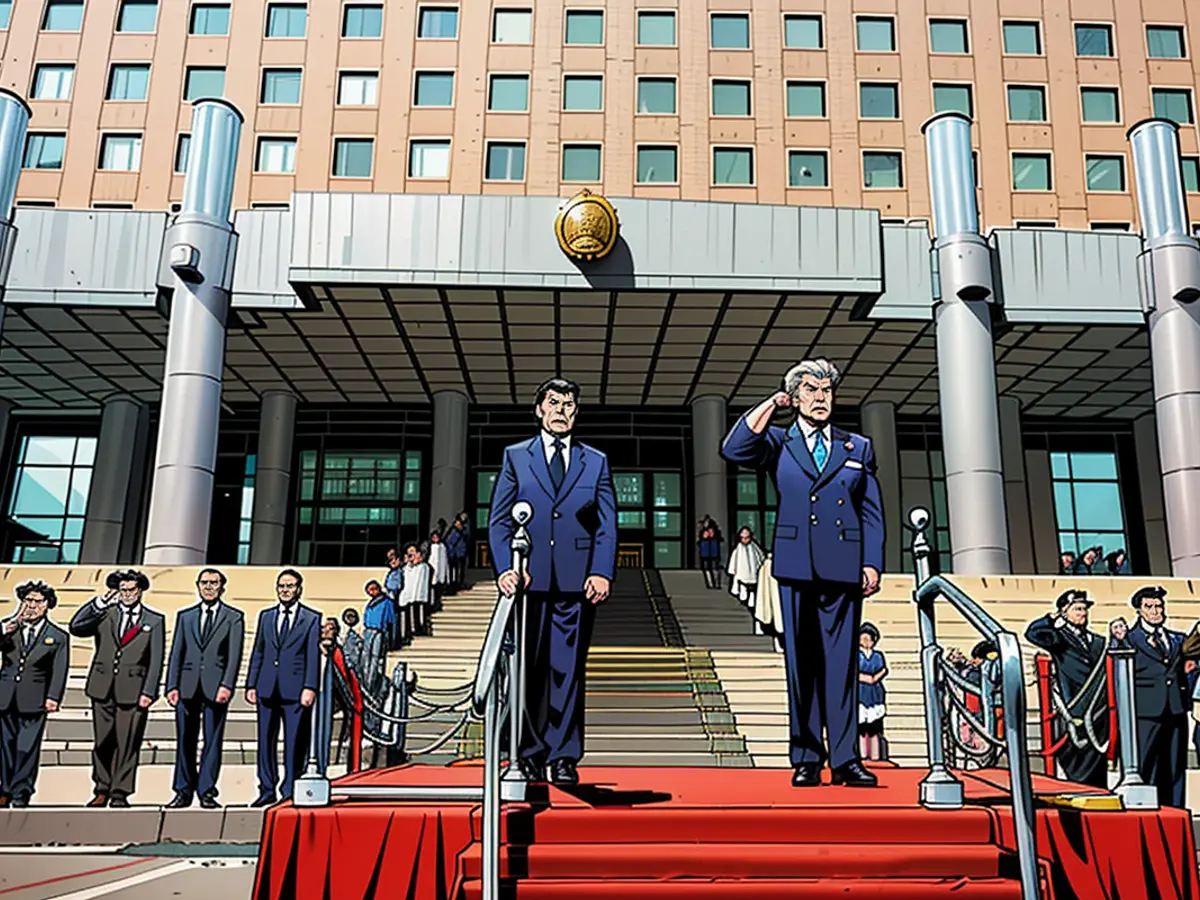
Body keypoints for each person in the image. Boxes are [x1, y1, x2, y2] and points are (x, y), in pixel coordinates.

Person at [721, 358, 884, 788]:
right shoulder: (779, 440)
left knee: (841, 667)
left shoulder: (857, 447)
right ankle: (807, 756)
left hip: (844, 568)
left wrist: (872, 562)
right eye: (810, 390)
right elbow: (734, 449)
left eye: (827, 390)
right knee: (802, 665)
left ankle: (847, 759)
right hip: (796, 566)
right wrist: (771, 405)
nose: (820, 398)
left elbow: (871, 512)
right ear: (795, 398)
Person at [489, 377, 617, 786]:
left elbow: (607, 524)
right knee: (527, 669)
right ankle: (527, 753)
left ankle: (563, 755)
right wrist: (505, 568)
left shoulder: (594, 461)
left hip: (576, 585)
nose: (562, 410)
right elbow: (499, 521)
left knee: (568, 670)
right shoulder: (516, 457)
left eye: (569, 405)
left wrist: (601, 570)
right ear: (540, 409)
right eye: (555, 403)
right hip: (528, 582)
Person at [69, 569, 166, 808]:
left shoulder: (154, 620)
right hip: (102, 687)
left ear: (140, 590)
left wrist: (149, 692)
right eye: (122, 590)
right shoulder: (105, 614)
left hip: (133, 689)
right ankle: (102, 788)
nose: (127, 594)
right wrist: (101, 601)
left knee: (128, 742)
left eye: (131, 589)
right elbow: (76, 626)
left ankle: (120, 791)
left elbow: (156, 659)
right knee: (103, 740)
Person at [164, 568, 245, 809]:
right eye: (204, 582)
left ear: (222, 587)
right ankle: (182, 791)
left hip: (215, 687)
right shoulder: (185, 616)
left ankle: (207, 791)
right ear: (198, 586)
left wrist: (227, 684)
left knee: (212, 740)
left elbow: (234, 656)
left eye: (214, 583)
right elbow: (176, 652)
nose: (209, 587)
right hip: (187, 686)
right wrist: (171, 686)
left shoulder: (233, 617)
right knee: (184, 740)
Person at [246, 569, 321, 807]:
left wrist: (310, 686)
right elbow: (258, 650)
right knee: (265, 741)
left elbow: (312, 656)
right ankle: (266, 789)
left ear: (299, 589)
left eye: (290, 586)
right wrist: (251, 683)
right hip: (267, 687)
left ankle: (290, 788)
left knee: (294, 742)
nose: (285, 590)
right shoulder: (266, 616)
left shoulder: (311, 618)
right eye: (281, 586)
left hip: (295, 690)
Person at [1024, 589, 1108, 787]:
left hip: (1097, 708)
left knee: (1097, 761)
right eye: (1077, 609)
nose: (1083, 613)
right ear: (1065, 612)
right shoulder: (1058, 638)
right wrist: (1052, 618)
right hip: (1073, 707)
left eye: (1084, 609)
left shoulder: (1098, 641)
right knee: (1075, 759)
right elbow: (1032, 633)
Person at [0, 581, 69, 808]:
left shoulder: (57, 636)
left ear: (47, 605)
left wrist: (54, 697)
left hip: (35, 698)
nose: (31, 606)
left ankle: (22, 790)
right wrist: (6, 629)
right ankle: (4, 789)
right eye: (27, 601)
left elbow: (59, 669)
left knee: (26, 747)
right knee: (5, 746)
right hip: (5, 695)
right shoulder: (9, 628)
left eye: (37, 601)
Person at [1129, 586, 1197, 807]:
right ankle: (1146, 812)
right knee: (1146, 767)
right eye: (1149, 606)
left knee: (1175, 768)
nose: (1156, 611)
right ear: (1139, 610)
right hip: (1146, 713)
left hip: (1175, 710)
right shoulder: (1130, 640)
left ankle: (1175, 811)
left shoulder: (1177, 640)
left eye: (1159, 606)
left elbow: (1191, 653)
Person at [857, 623, 887, 761]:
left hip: (875, 693)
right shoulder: (856, 655)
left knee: (874, 728)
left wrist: (875, 678)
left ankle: (875, 756)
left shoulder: (878, 656)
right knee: (861, 728)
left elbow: (883, 669)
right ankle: (863, 755)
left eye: (868, 639)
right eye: (863, 639)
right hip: (861, 692)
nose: (866, 642)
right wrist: (866, 678)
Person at [397, 542, 433, 637]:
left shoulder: (424, 566)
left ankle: (421, 629)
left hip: (419, 596)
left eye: (413, 552)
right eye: (409, 552)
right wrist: (407, 563)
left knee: (419, 614)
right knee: (409, 615)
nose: (411, 555)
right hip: (408, 596)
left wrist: (418, 562)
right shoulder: (406, 568)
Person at [726, 525, 766, 607]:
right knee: (743, 587)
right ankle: (744, 598)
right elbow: (734, 559)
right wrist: (732, 570)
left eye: (747, 537)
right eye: (743, 538)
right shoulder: (738, 548)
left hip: (753, 574)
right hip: (741, 574)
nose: (745, 540)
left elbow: (760, 557)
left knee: (752, 589)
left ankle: (751, 599)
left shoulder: (754, 547)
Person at [383, 548, 405, 646]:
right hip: (389, 599)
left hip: (395, 599)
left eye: (395, 559)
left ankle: (394, 642)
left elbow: (396, 585)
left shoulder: (399, 572)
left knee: (394, 622)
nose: (392, 562)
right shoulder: (391, 573)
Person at [428, 531, 450, 608]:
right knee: (432, 590)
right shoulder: (429, 546)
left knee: (439, 589)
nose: (435, 539)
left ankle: (438, 603)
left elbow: (444, 560)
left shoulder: (442, 547)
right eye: (434, 537)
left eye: (437, 537)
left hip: (440, 571)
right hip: (432, 571)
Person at [445, 518, 468, 590]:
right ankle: (455, 584)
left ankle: (460, 583)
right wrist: (451, 554)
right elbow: (451, 543)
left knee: (461, 570)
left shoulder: (463, 531)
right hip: (456, 554)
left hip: (461, 553)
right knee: (456, 570)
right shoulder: (454, 532)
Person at [341, 607, 363, 674]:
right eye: (348, 617)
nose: (350, 619)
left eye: (352, 617)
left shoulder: (358, 636)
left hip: (357, 664)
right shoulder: (342, 634)